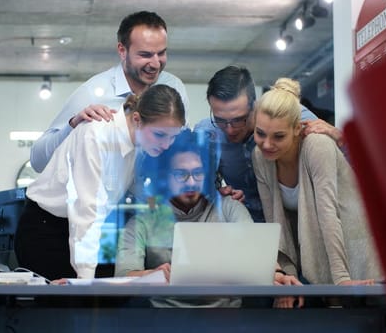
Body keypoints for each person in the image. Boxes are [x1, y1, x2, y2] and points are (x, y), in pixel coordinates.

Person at [14, 84, 185, 281]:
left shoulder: (141, 142)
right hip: (45, 231)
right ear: (137, 119)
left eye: (172, 137)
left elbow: (142, 189)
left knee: (114, 297)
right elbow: (86, 210)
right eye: (160, 135)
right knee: (75, 303)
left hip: (88, 232)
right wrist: (85, 281)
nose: (166, 145)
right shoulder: (96, 135)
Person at [115, 129, 303, 308]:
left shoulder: (229, 208)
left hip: (227, 316)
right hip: (165, 316)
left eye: (198, 173)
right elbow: (122, 276)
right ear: (164, 176)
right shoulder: (144, 220)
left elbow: (255, 255)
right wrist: (150, 275)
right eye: (181, 174)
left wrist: (277, 275)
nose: (191, 182)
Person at [252, 78, 381, 285]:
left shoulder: (316, 146)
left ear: (297, 128)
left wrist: (341, 279)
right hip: (318, 258)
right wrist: (286, 275)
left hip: (354, 251)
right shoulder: (260, 157)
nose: (267, 144)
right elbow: (275, 224)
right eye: (260, 133)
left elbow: (328, 213)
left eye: (278, 136)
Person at [30, 11, 190, 173]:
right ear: (122, 50)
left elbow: (179, 147)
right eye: (145, 55)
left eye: (161, 53)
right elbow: (38, 162)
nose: (156, 64)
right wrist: (73, 125)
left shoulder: (173, 86)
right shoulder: (92, 93)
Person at [194, 65, 344, 222]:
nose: (229, 130)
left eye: (238, 119)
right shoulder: (207, 133)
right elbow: (199, 192)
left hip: (298, 224)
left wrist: (340, 139)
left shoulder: (289, 116)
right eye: (220, 120)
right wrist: (219, 196)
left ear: (254, 105)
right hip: (247, 227)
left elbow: (348, 169)